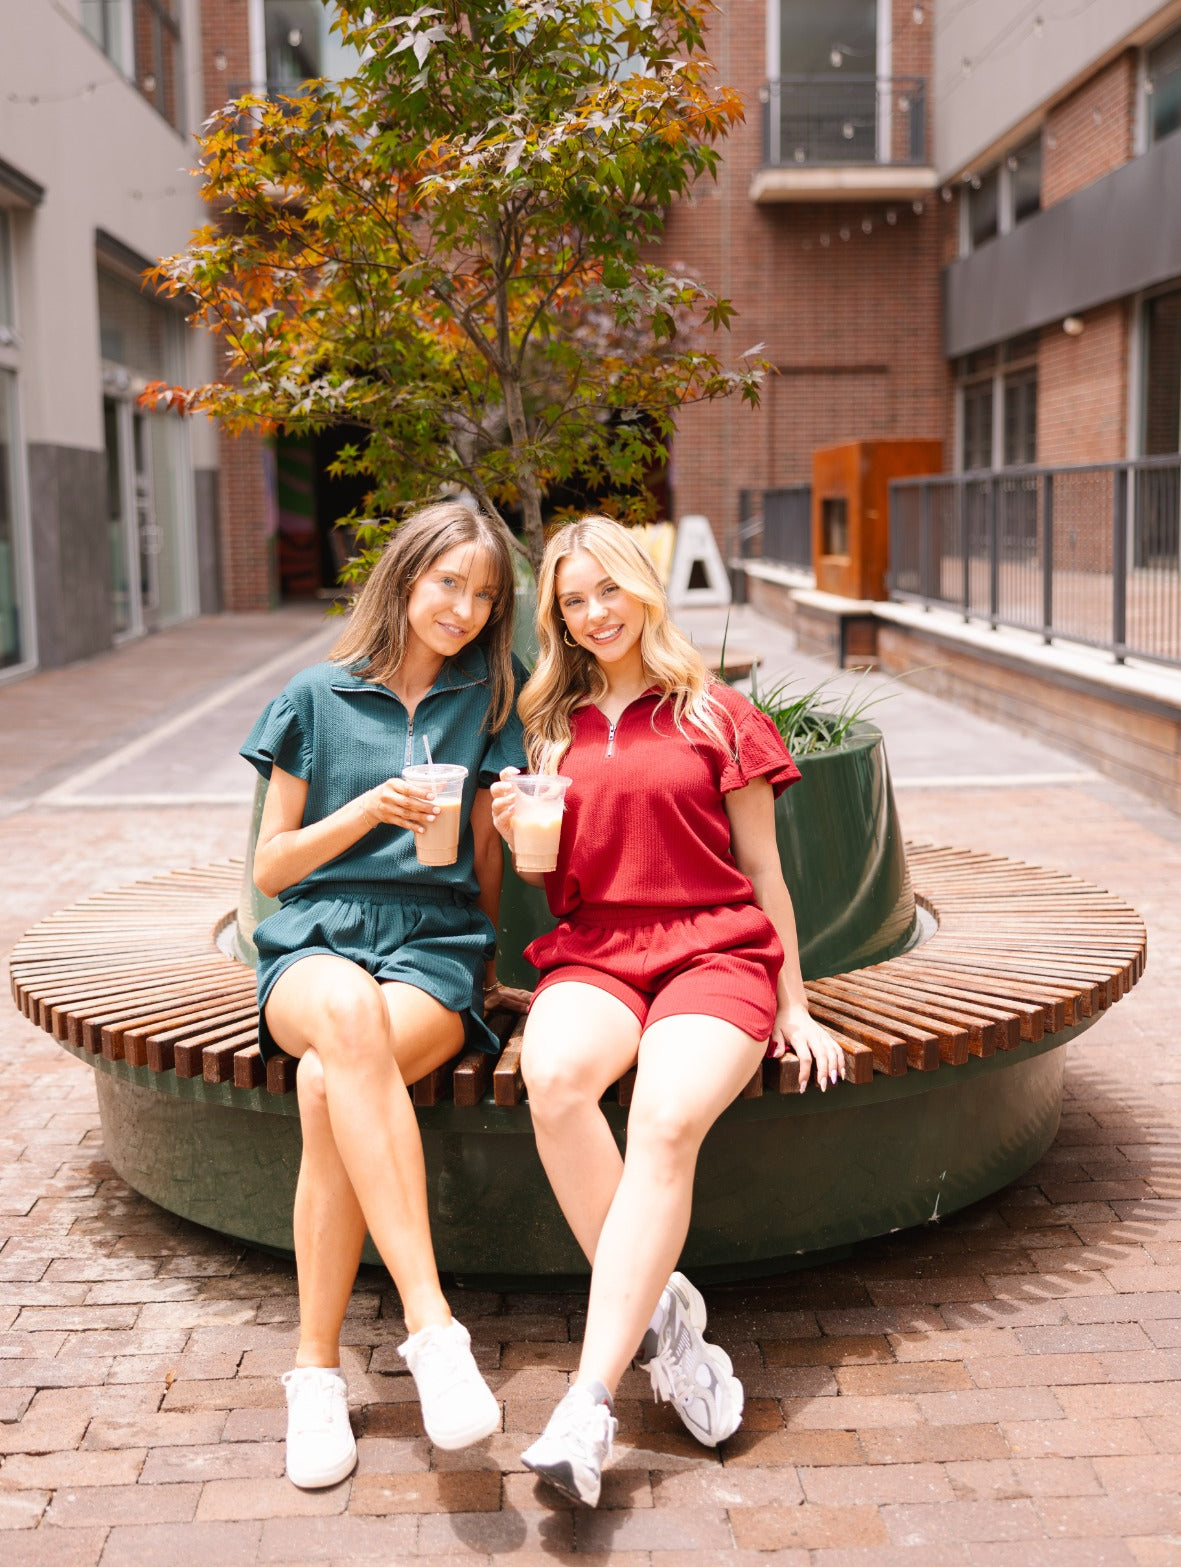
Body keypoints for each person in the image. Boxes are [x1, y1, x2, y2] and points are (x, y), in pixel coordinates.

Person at [490, 516, 846, 1507]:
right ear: (556, 619)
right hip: (596, 949)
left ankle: (588, 1404)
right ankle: (665, 1319)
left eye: (607, 590)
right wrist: (521, 824)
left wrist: (796, 1004)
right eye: (571, 602)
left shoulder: (715, 713)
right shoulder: (550, 726)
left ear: (643, 590)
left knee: (662, 1118)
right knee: (554, 1082)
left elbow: (764, 873)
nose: (593, 614)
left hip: (713, 948)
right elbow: (554, 877)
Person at [240, 500, 528, 1490]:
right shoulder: (314, 697)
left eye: (484, 594)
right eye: (449, 581)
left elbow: (487, 851)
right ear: (405, 578)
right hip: (314, 940)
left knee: (329, 1086)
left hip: (434, 944)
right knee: (344, 1025)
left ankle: (313, 1374)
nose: (464, 607)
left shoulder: (490, 697)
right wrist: (366, 808)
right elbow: (271, 868)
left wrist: (484, 965)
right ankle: (432, 1330)